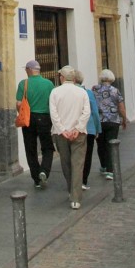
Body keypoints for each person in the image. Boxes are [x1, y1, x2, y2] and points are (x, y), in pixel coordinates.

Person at [49, 65, 90, 210]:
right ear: (73, 78)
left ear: (62, 78)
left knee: (66, 163)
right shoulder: (82, 92)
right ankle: (76, 197)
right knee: (77, 164)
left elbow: (53, 114)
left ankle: (70, 190)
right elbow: (86, 112)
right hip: (79, 134)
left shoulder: (55, 92)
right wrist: (77, 129)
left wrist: (62, 130)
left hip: (62, 134)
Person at [15, 59, 55, 188]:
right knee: (47, 147)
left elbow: (19, 104)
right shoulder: (49, 84)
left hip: (28, 119)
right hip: (44, 118)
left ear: (29, 70)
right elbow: (52, 103)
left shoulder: (23, 83)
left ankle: (36, 179)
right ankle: (44, 171)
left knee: (30, 149)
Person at [92, 69, 128, 180]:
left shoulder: (95, 90)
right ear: (111, 78)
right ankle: (110, 170)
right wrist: (124, 119)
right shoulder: (115, 91)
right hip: (113, 121)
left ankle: (103, 165)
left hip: (100, 121)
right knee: (111, 144)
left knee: (100, 145)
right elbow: (121, 106)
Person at [73, 69, 102, 190]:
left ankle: (74, 180)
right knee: (87, 155)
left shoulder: (70, 92)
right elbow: (94, 112)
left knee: (75, 156)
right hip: (89, 128)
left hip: (74, 128)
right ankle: (83, 181)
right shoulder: (88, 93)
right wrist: (97, 129)